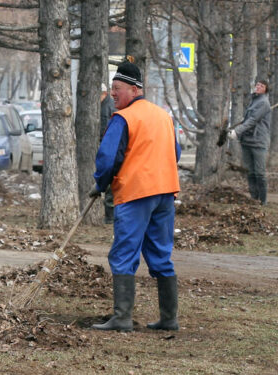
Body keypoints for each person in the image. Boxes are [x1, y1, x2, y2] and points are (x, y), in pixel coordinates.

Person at [89, 60, 181, 332]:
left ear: (134, 89)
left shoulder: (124, 118)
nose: (114, 93)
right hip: (165, 194)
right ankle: (169, 318)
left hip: (137, 193)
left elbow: (108, 159)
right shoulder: (163, 115)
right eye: (112, 88)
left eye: (117, 88)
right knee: (160, 254)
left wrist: (100, 183)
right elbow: (174, 153)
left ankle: (122, 317)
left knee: (124, 253)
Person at [228, 80, 271, 205]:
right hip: (247, 141)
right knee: (250, 172)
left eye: (261, 86)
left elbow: (252, 120)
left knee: (260, 173)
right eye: (257, 85)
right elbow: (247, 119)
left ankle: (263, 201)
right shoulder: (255, 100)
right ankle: (254, 199)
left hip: (258, 142)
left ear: (265, 90)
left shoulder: (263, 103)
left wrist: (237, 132)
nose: (258, 87)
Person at [99, 82, 116, 224]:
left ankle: (110, 217)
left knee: (110, 186)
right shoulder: (103, 106)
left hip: (108, 150)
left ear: (103, 94)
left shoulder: (108, 108)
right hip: (105, 148)